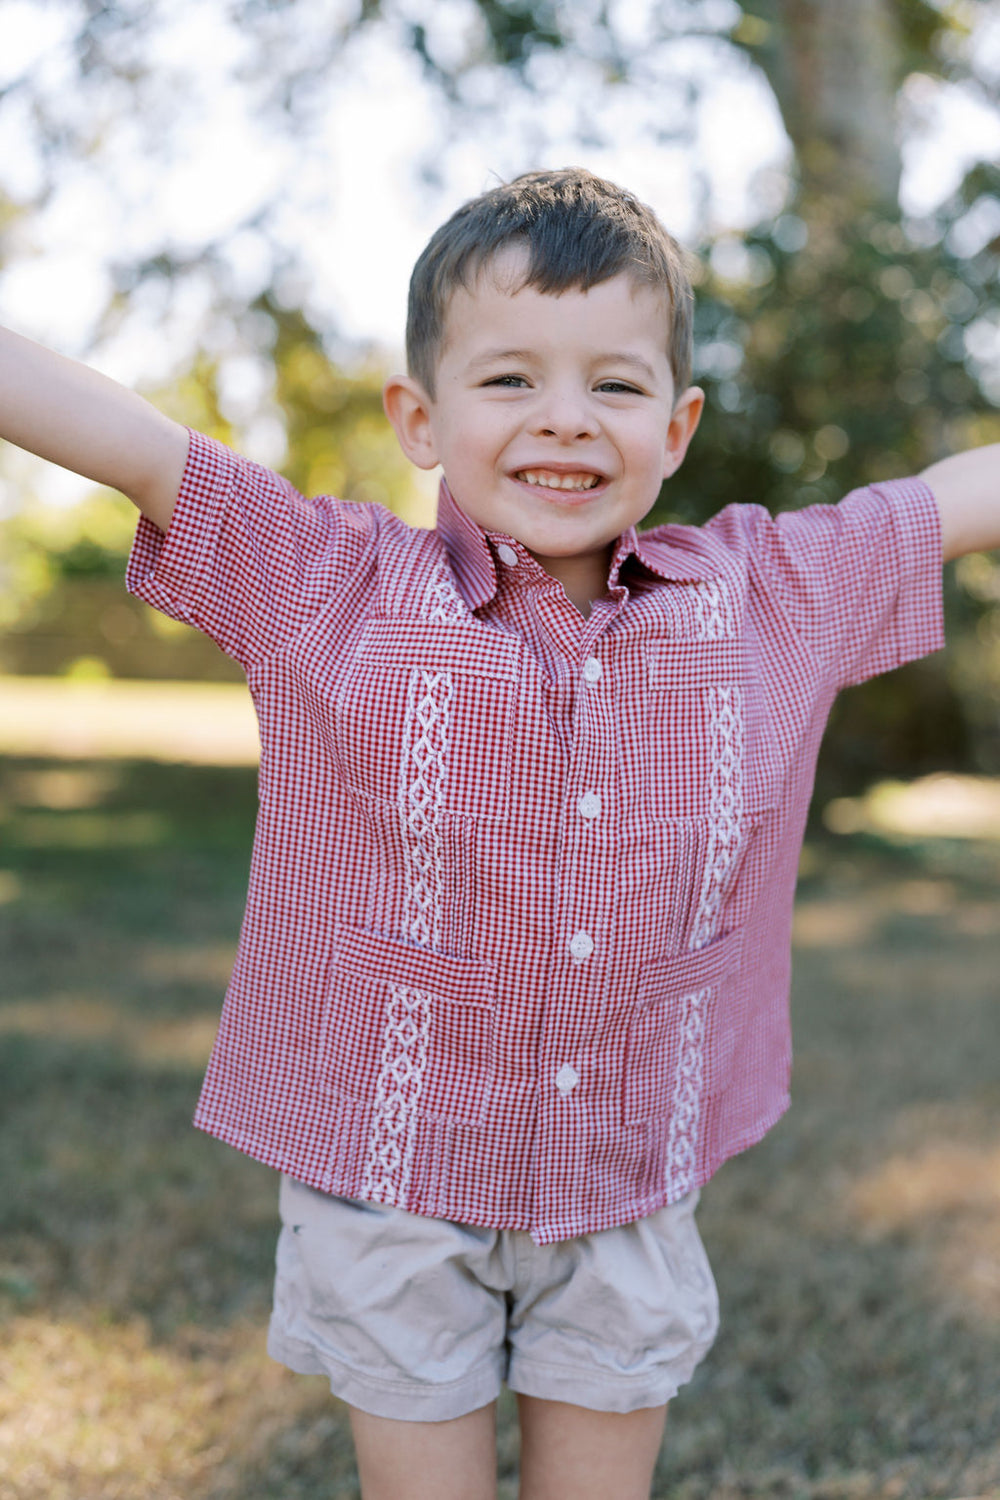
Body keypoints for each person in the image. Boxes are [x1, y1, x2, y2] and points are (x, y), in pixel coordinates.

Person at [0, 167, 997, 1500]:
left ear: (680, 423)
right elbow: (133, 446)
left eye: (617, 385)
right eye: (511, 380)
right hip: (390, 1175)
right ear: (419, 416)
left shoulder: (777, 593)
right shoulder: (323, 581)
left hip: (627, 1177)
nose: (566, 422)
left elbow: (944, 500)